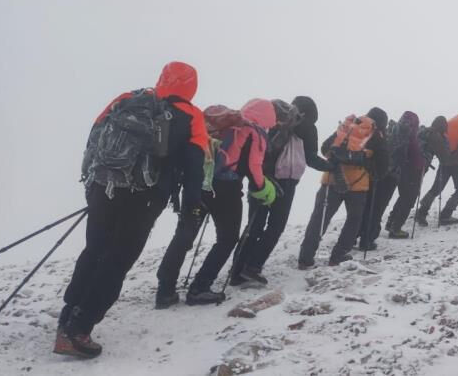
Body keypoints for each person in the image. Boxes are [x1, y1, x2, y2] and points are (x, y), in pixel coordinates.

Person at [57, 62, 209, 358]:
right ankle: (79, 329)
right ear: (191, 86)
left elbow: (95, 136)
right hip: (146, 197)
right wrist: (192, 204)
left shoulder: (128, 99)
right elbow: (194, 166)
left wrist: (92, 182)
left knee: (94, 250)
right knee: (117, 260)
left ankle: (68, 315)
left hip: (103, 186)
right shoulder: (192, 116)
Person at [156, 98, 278, 307]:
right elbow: (253, 168)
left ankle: (165, 290)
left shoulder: (219, 125)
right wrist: (264, 189)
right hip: (225, 190)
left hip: (197, 183)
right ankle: (200, 288)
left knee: (184, 235)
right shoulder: (253, 131)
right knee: (227, 239)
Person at [230, 97, 333, 286]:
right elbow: (310, 158)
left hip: (260, 176)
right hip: (285, 181)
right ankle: (252, 267)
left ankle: (236, 270)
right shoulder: (308, 127)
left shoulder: (274, 118)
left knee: (254, 225)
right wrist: (330, 166)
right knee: (275, 226)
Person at [298, 111, 388, 268]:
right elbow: (383, 167)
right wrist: (367, 165)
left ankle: (305, 258)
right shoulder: (377, 136)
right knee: (353, 221)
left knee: (319, 219)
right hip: (358, 187)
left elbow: (326, 148)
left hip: (331, 181)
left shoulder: (348, 128)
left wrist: (339, 159)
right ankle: (337, 256)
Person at [380, 112, 425, 238]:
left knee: (403, 197)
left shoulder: (397, 130)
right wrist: (421, 162)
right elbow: (413, 153)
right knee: (409, 199)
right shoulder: (408, 133)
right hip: (410, 171)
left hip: (401, 171)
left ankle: (391, 223)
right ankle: (396, 228)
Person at [356, 107, 390, 251]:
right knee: (371, 209)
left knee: (357, 210)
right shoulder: (378, 135)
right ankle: (366, 240)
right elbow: (383, 161)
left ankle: (351, 237)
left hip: (350, 176)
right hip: (370, 177)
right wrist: (380, 173)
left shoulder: (355, 129)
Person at [412, 116, 451, 226]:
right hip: (421, 166)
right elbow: (444, 156)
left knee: (408, 192)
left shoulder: (424, 131)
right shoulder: (436, 136)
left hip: (411, 164)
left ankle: (393, 221)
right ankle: (420, 214)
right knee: (412, 192)